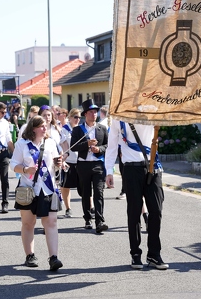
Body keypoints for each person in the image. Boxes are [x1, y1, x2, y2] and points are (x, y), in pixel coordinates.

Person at [105, 119, 168, 270]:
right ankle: (135, 254)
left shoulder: (151, 110)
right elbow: (112, 145)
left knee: (156, 210)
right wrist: (109, 170)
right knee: (134, 212)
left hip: (152, 165)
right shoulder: (118, 119)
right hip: (131, 168)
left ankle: (154, 254)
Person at [11, 115, 63, 271]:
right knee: (28, 223)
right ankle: (30, 255)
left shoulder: (51, 143)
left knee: (51, 222)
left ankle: (53, 258)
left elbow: (56, 163)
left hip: (48, 188)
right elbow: (14, 165)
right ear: (33, 128)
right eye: (41, 126)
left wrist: (59, 163)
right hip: (28, 188)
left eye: (45, 125)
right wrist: (26, 169)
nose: (44, 128)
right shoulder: (22, 144)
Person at [70, 98, 109, 233]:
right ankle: (87, 218)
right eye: (91, 112)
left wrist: (99, 149)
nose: (94, 114)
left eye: (95, 112)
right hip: (83, 165)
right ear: (85, 114)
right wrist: (86, 144)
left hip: (98, 164)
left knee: (99, 192)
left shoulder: (102, 128)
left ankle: (100, 221)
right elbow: (73, 147)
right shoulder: (78, 130)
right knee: (86, 193)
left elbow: (107, 145)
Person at [59, 108, 81, 218]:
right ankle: (68, 208)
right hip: (69, 161)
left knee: (85, 186)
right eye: (75, 117)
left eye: (79, 117)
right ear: (70, 118)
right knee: (65, 186)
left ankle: (90, 207)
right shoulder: (65, 129)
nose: (78, 119)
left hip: (80, 161)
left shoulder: (81, 129)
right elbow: (62, 144)